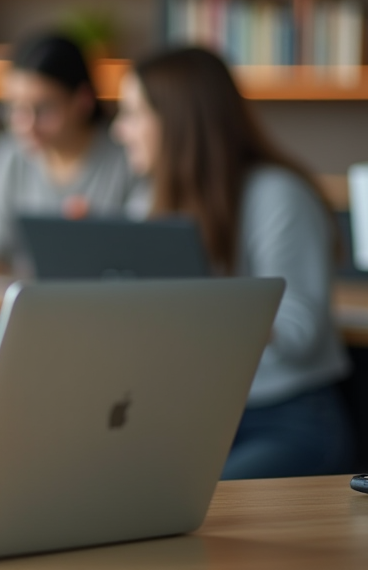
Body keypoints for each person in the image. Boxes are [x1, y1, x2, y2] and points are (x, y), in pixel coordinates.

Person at [111, 46, 352, 479]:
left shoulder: (278, 196)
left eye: (132, 113)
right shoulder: (148, 202)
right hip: (188, 418)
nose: (118, 131)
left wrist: (198, 310)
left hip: (286, 420)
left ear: (178, 121)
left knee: (182, 502)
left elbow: (299, 331)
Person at [0, 32, 139, 276]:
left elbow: (140, 259)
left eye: (44, 109)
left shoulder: (129, 156)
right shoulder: (8, 154)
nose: (26, 125)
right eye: (14, 107)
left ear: (83, 100)